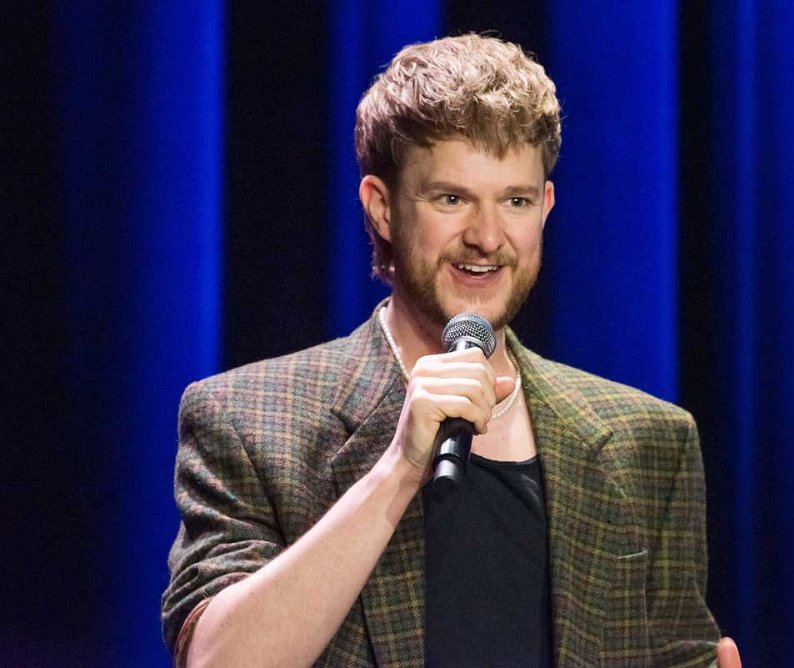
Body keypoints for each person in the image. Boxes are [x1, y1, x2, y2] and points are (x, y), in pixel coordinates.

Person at [161, 34, 741, 667]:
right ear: (382, 208)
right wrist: (398, 469)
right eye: (451, 199)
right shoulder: (248, 420)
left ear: (545, 208)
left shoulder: (648, 443)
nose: (487, 237)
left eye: (515, 201)